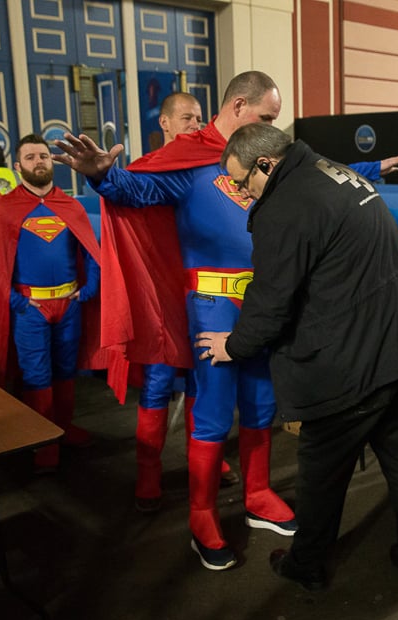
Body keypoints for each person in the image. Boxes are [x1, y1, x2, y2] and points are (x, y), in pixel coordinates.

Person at [55, 71, 298, 571]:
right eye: (267, 117)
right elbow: (133, 191)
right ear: (237, 107)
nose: (275, 127)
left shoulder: (267, 160)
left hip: (261, 304)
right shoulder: (191, 158)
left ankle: (257, 493)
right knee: (210, 409)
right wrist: (101, 175)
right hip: (211, 305)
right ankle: (202, 513)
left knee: (261, 401)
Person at [195, 122, 398, 591]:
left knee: (320, 474)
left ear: (267, 164)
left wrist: (233, 345)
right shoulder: (328, 169)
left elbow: (271, 303)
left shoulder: (285, 207)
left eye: (242, 181)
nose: (241, 192)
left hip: (354, 362)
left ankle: (306, 565)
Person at [134, 91, 238, 514]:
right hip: (165, 298)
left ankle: (207, 463)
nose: (195, 125)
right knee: (158, 384)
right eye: (187, 118)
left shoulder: (211, 162)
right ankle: (147, 473)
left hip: (201, 297)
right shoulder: (155, 169)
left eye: (199, 118)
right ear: (165, 123)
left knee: (203, 382)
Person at [0, 134, 103, 474]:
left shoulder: (70, 206)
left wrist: (89, 290)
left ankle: (63, 427)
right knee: (36, 374)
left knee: (65, 370)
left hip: (68, 303)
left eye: (44, 156)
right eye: (31, 157)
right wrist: (17, 304)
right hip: (30, 308)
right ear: (18, 166)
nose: (39, 161)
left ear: (53, 161)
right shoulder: (4, 208)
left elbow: (91, 252)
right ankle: (44, 438)